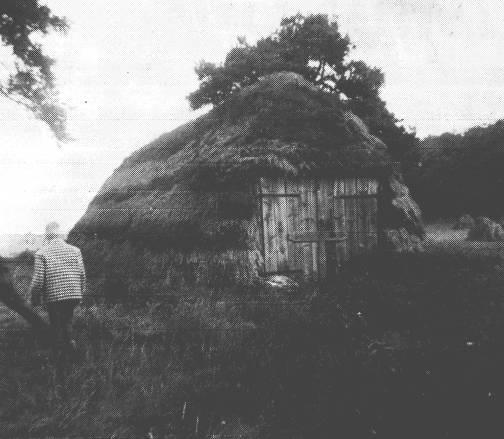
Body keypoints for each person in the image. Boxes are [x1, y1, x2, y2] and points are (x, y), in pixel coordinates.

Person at [30, 221, 86, 379]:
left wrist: (35, 298)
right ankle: (73, 354)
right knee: (67, 321)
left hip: (55, 297)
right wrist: (80, 293)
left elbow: (38, 280)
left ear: (47, 235)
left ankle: (59, 363)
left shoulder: (42, 253)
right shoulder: (76, 250)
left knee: (56, 325)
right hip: (73, 294)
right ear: (61, 234)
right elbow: (82, 274)